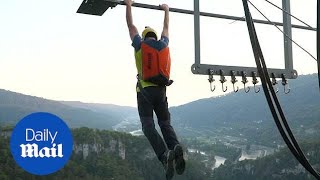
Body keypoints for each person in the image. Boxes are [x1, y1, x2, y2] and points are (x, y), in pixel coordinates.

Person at [124, 0, 185, 179]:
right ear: (155, 36)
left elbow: (130, 25)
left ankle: (165, 155)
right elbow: (166, 27)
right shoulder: (163, 44)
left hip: (145, 92)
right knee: (165, 124)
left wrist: (128, 4)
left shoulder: (139, 44)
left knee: (147, 125)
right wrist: (166, 10)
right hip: (161, 92)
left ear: (144, 37)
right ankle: (174, 147)